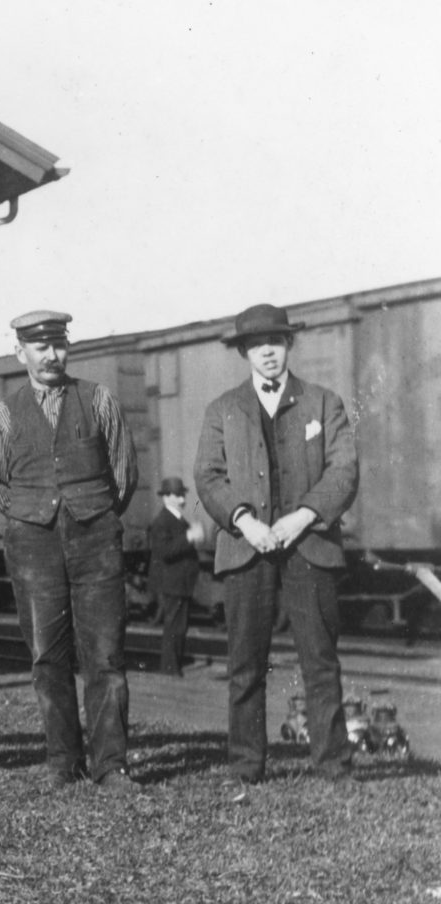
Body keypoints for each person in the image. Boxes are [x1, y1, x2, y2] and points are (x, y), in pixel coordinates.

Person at [194, 303, 359, 786]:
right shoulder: (222, 409)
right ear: (244, 351)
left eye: (277, 341)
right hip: (247, 550)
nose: (268, 351)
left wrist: (302, 517)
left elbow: (343, 470)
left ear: (289, 345)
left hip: (310, 549)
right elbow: (208, 476)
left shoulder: (324, 403)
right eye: (257, 344)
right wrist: (245, 521)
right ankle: (246, 766)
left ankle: (333, 766)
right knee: (246, 665)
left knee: (321, 662)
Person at [0, 310, 140, 793]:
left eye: (59, 345)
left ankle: (111, 765)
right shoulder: (4, 414)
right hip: (33, 545)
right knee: (47, 657)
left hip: (96, 541)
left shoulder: (99, 400)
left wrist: (88, 511)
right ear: (20, 352)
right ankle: (62, 763)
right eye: (40, 347)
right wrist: (37, 512)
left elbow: (123, 476)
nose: (51, 356)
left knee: (105, 656)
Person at [147, 476, 202, 676]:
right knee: (174, 627)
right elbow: (164, 551)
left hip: (181, 582)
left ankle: (173, 666)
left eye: (182, 495)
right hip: (173, 582)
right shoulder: (162, 521)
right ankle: (170, 669)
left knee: (179, 626)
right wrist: (188, 537)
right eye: (178, 496)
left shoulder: (176, 518)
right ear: (166, 497)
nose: (182, 500)